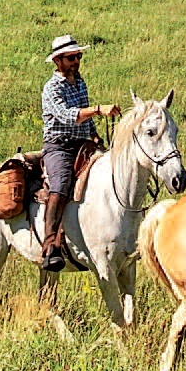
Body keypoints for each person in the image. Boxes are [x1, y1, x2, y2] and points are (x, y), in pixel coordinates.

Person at [39, 34, 120, 270]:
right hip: (60, 146)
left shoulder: (79, 82)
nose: (76, 61)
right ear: (58, 61)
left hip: (82, 143)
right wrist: (98, 110)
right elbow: (68, 116)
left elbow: (84, 118)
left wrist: (95, 136)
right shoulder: (52, 88)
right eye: (71, 58)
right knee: (61, 184)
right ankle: (50, 246)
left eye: (78, 56)